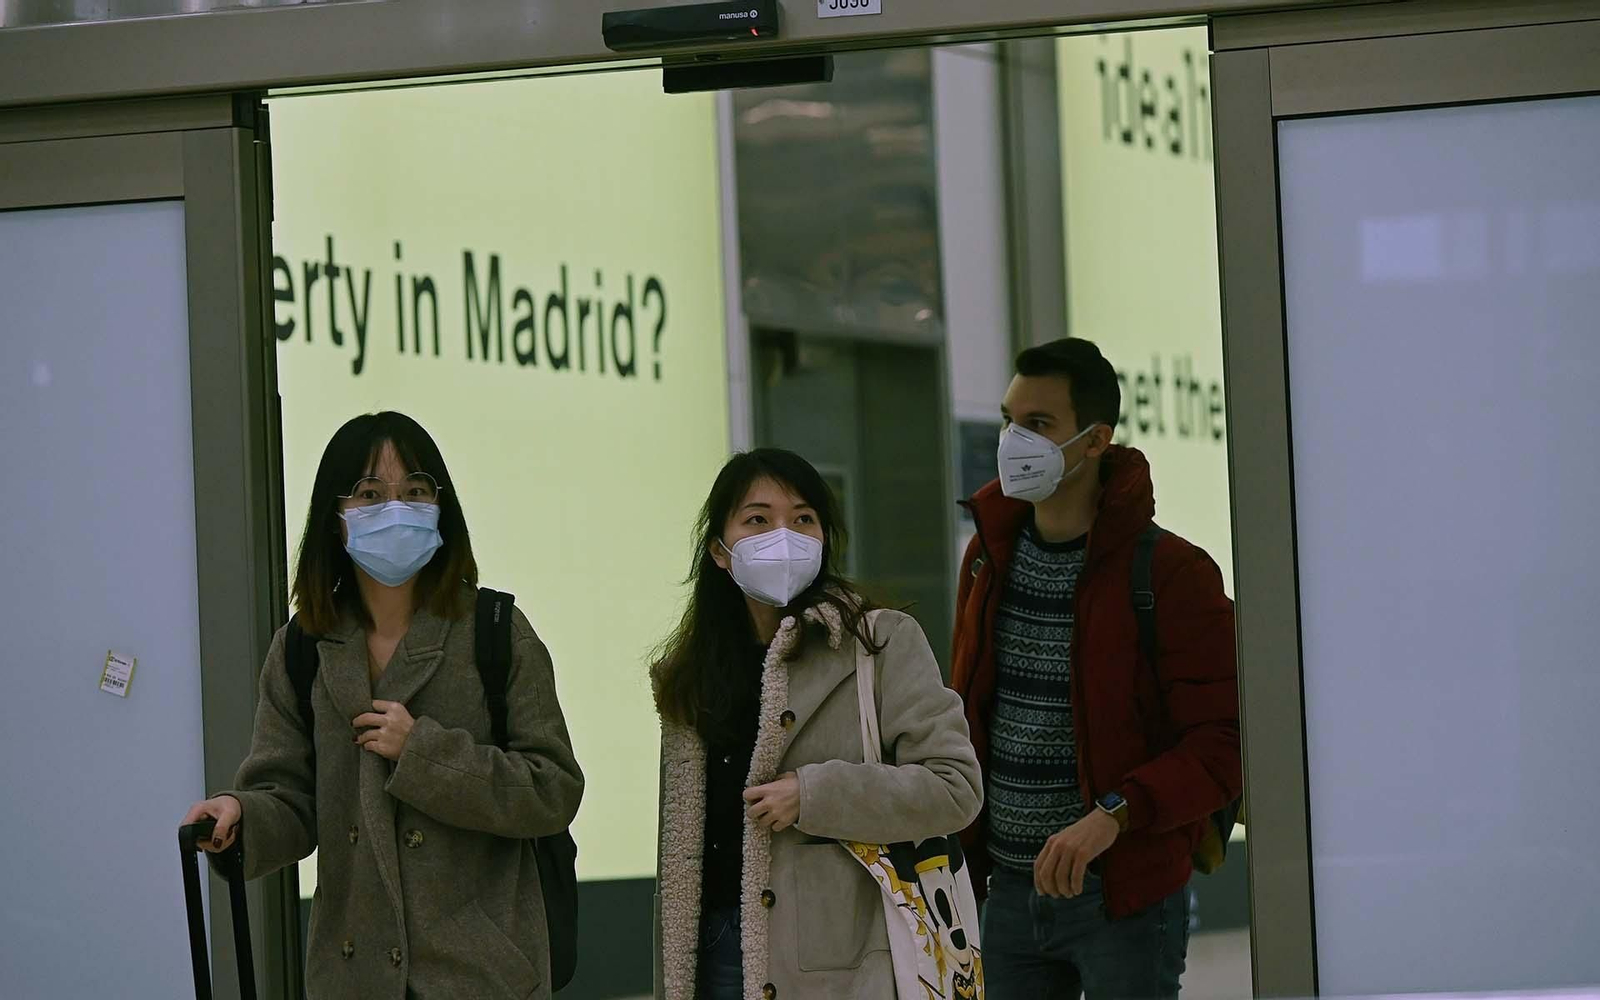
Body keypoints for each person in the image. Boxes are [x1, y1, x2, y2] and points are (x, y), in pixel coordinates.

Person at [181, 411, 584, 1000]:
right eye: (370, 494)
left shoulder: (497, 631)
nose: (396, 510)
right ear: (335, 520)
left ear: (442, 508)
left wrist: (421, 751)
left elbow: (553, 790)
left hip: (482, 974)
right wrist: (239, 818)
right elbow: (288, 797)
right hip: (353, 974)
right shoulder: (304, 647)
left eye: (415, 492)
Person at [951, 339, 1241, 1000]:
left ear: (1093, 441)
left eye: (1038, 425)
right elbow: (969, 713)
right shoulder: (987, 557)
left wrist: (1113, 815)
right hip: (1009, 893)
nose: (1012, 441)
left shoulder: (1171, 574)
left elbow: (1224, 744)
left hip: (1123, 898)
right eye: (1008, 420)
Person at [651, 448, 982, 1000]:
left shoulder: (881, 642)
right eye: (757, 519)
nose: (784, 535)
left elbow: (955, 788)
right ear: (719, 551)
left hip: (843, 964)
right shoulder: (691, 676)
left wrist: (816, 794)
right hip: (709, 951)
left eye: (803, 519)